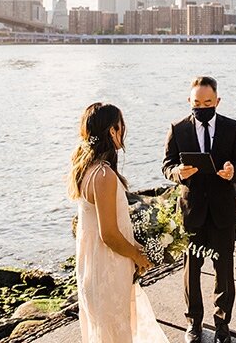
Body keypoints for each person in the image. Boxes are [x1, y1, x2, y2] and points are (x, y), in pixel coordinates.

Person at [69, 102, 169, 343]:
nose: (124, 130)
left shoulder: (85, 169)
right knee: (116, 333)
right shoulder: (103, 175)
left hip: (93, 265)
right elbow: (109, 235)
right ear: (113, 131)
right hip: (107, 267)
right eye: (121, 126)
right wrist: (138, 255)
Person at [162, 76, 236, 343]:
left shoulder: (232, 128)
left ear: (217, 101)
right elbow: (166, 165)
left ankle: (222, 326)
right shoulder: (177, 129)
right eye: (197, 102)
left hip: (222, 212)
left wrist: (234, 172)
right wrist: (177, 172)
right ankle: (193, 324)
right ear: (190, 101)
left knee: (224, 272)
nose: (202, 106)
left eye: (208, 102)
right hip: (191, 213)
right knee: (191, 271)